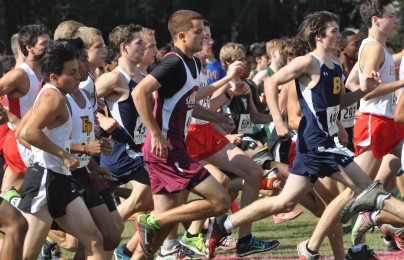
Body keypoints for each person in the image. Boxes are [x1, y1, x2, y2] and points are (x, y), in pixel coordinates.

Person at [204, 10, 404, 259]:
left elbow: (339, 103)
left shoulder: (336, 68)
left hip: (323, 144)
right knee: (370, 191)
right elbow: (271, 82)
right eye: (335, 31)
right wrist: (277, 119)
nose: (340, 35)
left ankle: (223, 225)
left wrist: (363, 90)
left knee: (284, 202)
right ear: (319, 36)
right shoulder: (309, 62)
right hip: (317, 145)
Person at [132, 10, 235, 259]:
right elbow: (140, 93)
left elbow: (187, 102)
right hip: (167, 149)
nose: (203, 36)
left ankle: (148, 232)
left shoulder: (190, 63)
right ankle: (150, 221)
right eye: (197, 32)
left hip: (170, 148)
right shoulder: (173, 62)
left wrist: (216, 117)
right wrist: (155, 134)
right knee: (220, 200)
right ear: (181, 35)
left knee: (163, 230)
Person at [16, 40, 106, 260]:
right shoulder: (52, 96)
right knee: (26, 254)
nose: (78, 76)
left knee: (94, 239)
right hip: (44, 180)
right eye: (72, 72)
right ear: (54, 77)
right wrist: (64, 154)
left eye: (77, 71)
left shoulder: (60, 94)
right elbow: (28, 133)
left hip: (60, 179)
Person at [0, 24, 51, 200]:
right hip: (20, 143)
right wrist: (9, 116)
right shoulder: (20, 74)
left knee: (11, 198)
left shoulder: (45, 71)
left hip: (35, 140)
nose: (49, 47)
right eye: (44, 44)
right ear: (29, 47)